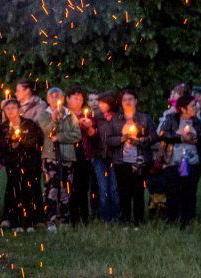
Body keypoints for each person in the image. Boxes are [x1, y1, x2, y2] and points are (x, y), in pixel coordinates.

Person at [0, 98, 43, 230]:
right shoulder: (3, 127)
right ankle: (12, 219)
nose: (10, 111)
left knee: (30, 189)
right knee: (13, 189)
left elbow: (36, 142)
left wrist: (20, 142)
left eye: (13, 108)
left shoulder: (30, 124)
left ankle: (31, 220)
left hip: (30, 163)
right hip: (12, 163)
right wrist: (5, 152)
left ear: (19, 110)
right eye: (7, 109)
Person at [107, 89, 153, 227]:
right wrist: (121, 138)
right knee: (123, 192)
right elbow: (108, 139)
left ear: (136, 101)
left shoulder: (145, 118)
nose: (127, 102)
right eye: (124, 100)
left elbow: (154, 137)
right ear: (121, 103)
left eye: (130, 99)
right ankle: (125, 221)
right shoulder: (116, 120)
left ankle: (138, 222)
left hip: (139, 161)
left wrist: (140, 141)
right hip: (121, 161)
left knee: (138, 191)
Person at [157, 95, 201, 226]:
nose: (196, 108)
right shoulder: (171, 119)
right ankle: (171, 218)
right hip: (173, 161)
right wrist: (181, 138)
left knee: (189, 190)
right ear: (183, 109)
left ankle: (187, 218)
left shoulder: (197, 121)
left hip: (192, 161)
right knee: (172, 190)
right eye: (192, 106)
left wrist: (196, 138)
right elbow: (163, 134)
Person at [38, 87, 80, 230]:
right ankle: (51, 219)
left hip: (67, 156)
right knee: (51, 188)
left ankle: (65, 220)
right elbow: (48, 131)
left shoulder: (70, 115)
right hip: (51, 156)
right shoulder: (44, 115)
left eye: (58, 96)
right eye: (52, 97)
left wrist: (61, 137)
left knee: (65, 188)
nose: (55, 99)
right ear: (48, 99)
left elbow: (76, 135)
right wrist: (55, 121)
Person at [65, 87, 97, 225]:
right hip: (67, 154)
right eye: (75, 98)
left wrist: (89, 127)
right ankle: (71, 217)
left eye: (81, 99)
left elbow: (94, 136)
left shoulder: (88, 115)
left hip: (84, 154)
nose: (78, 101)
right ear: (67, 99)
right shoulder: (63, 114)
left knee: (83, 187)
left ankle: (84, 218)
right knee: (70, 187)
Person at [93, 93, 123, 222]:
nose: (100, 105)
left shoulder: (119, 118)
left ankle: (116, 216)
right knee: (103, 188)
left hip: (115, 156)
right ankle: (105, 217)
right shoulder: (97, 118)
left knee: (114, 188)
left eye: (103, 102)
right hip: (100, 156)